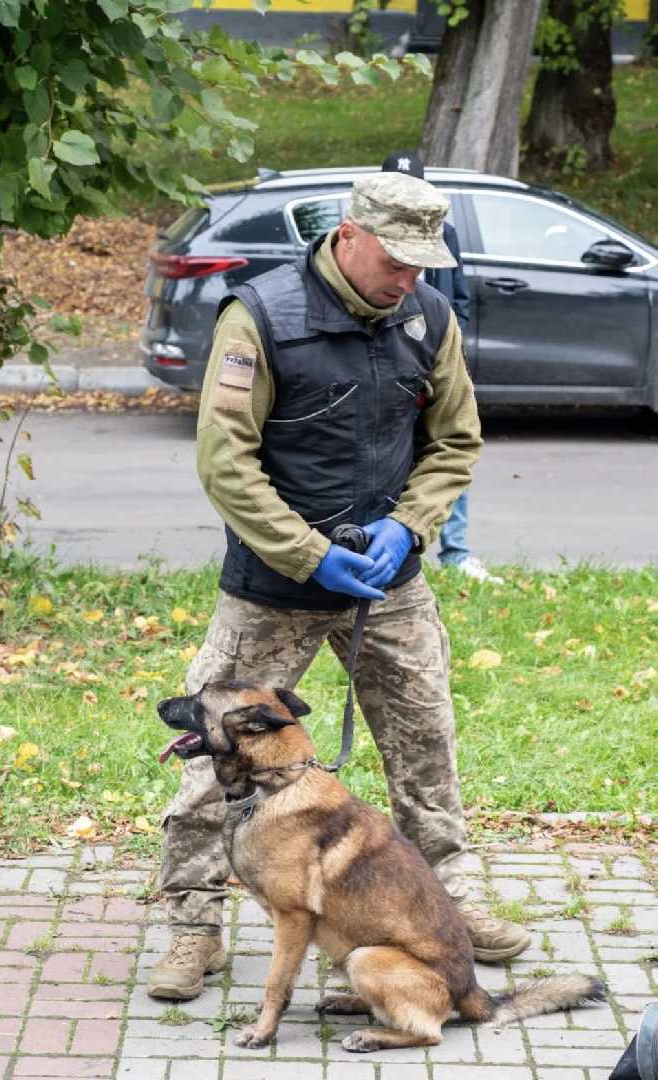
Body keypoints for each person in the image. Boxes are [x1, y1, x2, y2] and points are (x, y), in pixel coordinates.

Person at [148, 172, 530, 1002]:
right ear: (348, 236)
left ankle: (448, 905)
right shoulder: (261, 316)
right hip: (271, 586)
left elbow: (455, 440)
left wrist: (409, 525)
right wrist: (306, 554)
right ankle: (193, 925)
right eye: (395, 261)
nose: (408, 278)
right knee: (213, 758)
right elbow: (224, 459)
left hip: (388, 584)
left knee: (424, 745)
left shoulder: (428, 316)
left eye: (421, 264)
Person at [382, 151, 504, 585]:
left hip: (429, 362)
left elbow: (458, 297)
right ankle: (386, 544)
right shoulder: (373, 237)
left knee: (449, 446)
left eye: (414, 188)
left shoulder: (445, 234)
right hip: (388, 364)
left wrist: (448, 343)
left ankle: (456, 552)